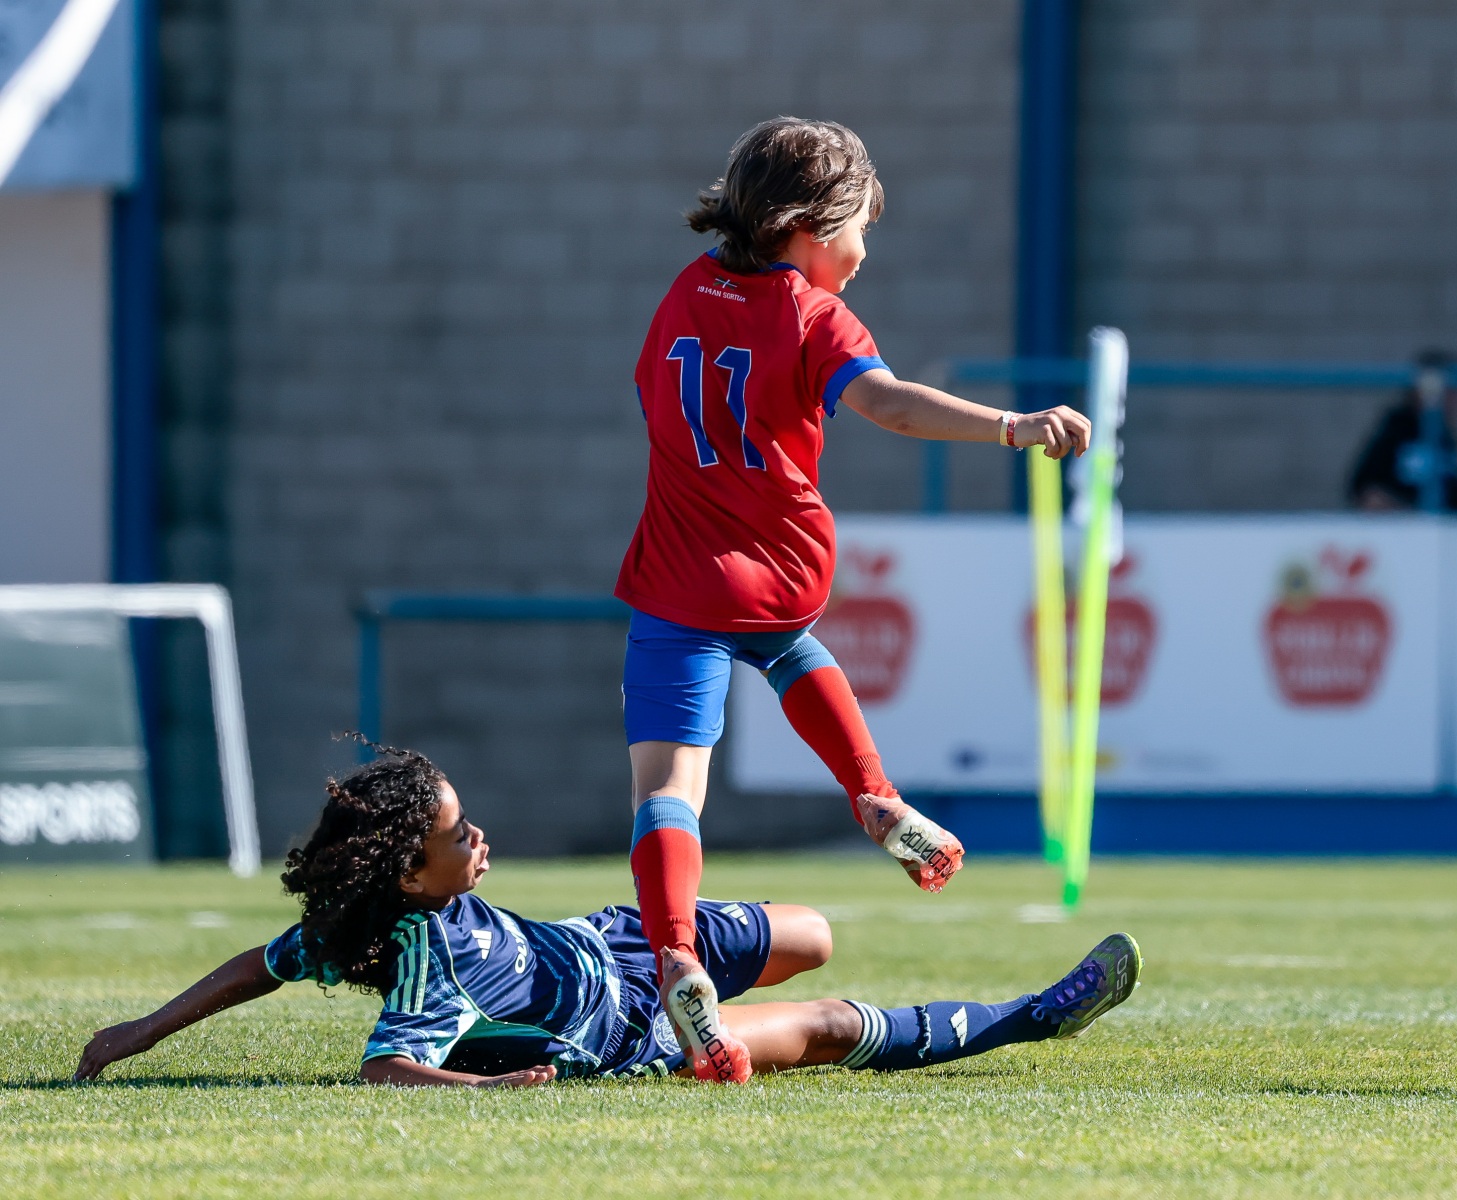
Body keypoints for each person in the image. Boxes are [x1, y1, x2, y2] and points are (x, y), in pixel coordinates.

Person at [614, 116, 1092, 1080]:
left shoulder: (682, 294)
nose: (865, 251)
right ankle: (874, 795)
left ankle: (675, 953)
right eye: (860, 228)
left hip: (677, 578)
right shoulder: (813, 316)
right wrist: (1012, 426)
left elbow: (656, 398)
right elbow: (891, 404)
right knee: (792, 650)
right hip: (778, 567)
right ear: (810, 226)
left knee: (668, 790)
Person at [73, 746, 1142, 1087]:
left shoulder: (357, 922)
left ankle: (707, 983)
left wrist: (141, 1032)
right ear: (411, 876)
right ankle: (1037, 1017)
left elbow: (259, 963)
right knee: (827, 1026)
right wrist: (488, 1091)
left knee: (813, 933)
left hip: (617, 939)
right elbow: (386, 1069)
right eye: (458, 835)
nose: (477, 836)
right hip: (632, 1031)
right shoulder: (423, 960)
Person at [1346, 349, 1457, 512]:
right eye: (1448, 393)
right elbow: (1367, 491)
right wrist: (1411, 516)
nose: (1455, 401)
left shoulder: (1445, 440)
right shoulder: (1396, 432)